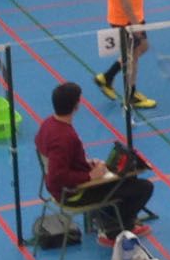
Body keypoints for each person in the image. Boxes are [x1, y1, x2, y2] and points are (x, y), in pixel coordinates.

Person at [35, 80, 154, 245]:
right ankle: (113, 231)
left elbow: (55, 158)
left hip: (62, 187)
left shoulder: (48, 124)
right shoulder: (64, 137)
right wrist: (89, 176)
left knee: (128, 179)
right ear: (76, 105)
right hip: (73, 193)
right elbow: (57, 176)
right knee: (143, 187)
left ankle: (109, 219)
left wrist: (84, 163)